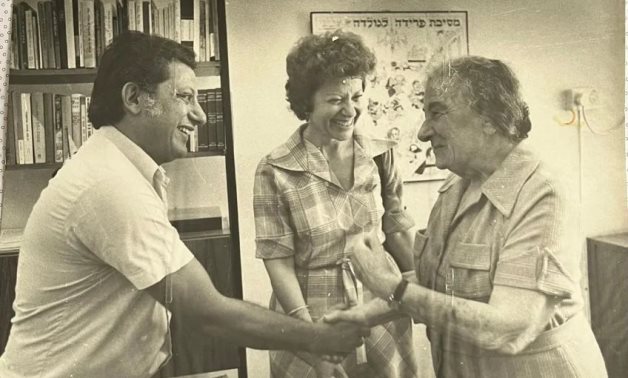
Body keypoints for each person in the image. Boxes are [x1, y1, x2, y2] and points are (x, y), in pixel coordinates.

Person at [0, 32, 369, 378]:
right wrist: (315, 338)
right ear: (134, 99)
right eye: (185, 97)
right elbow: (206, 312)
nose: (200, 115)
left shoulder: (119, 167)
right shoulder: (109, 183)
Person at [327, 56, 608, 377]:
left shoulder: (544, 193)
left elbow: (508, 329)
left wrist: (390, 286)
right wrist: (364, 315)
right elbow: (445, 286)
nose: (422, 132)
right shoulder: (457, 185)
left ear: (488, 117)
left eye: (436, 112)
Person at [253, 30, 419, 378]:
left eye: (357, 96)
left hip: (381, 301)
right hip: (311, 309)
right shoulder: (275, 169)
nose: (350, 110)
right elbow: (278, 262)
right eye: (335, 100)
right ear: (306, 103)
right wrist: (310, 336)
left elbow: (397, 231)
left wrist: (421, 298)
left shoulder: (380, 154)